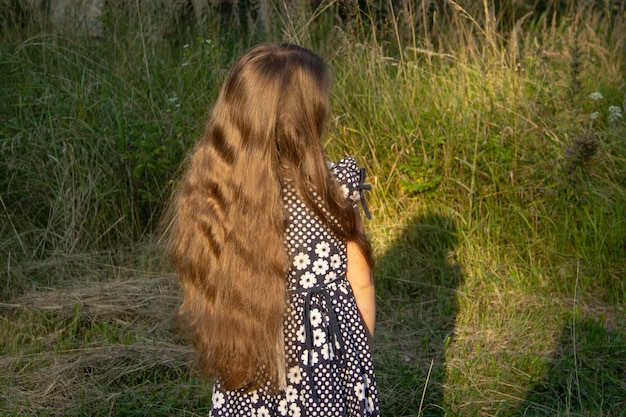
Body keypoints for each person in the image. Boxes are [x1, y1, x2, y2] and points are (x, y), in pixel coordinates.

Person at [164, 43, 379, 416]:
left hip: (247, 372)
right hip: (327, 384)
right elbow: (360, 280)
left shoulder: (219, 195)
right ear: (306, 122)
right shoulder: (334, 190)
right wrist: (359, 357)